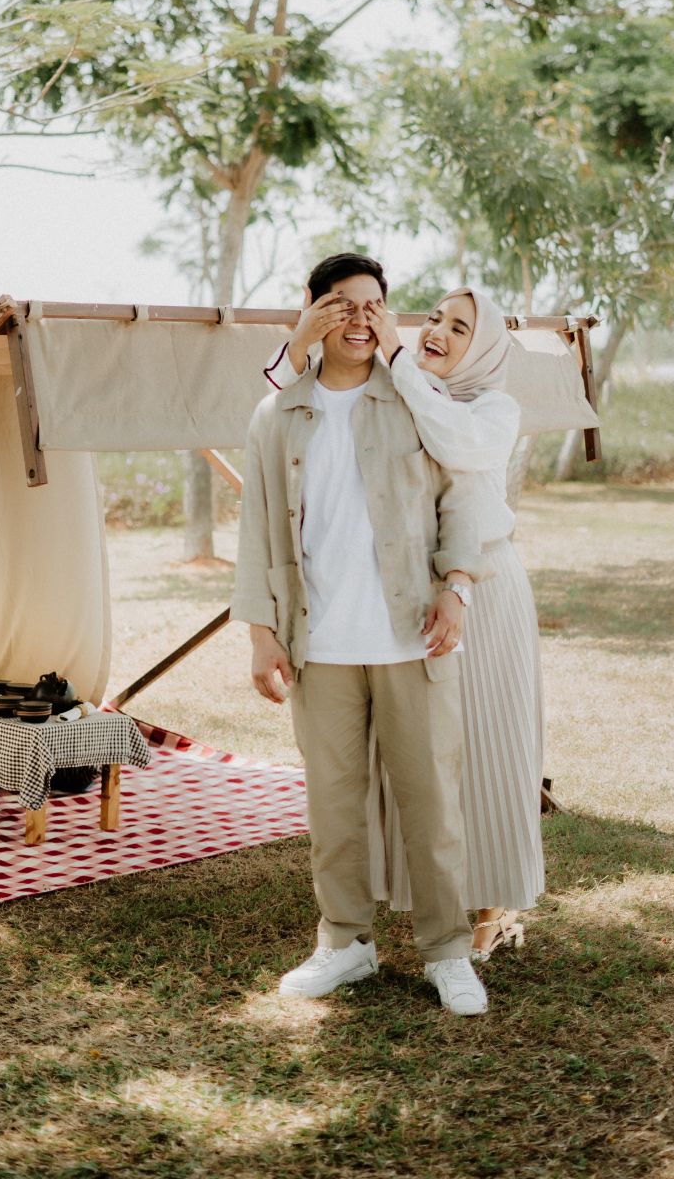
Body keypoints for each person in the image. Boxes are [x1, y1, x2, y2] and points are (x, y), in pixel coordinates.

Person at [231, 253, 490, 1015]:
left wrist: (457, 588)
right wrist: (260, 634)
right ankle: (344, 943)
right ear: (311, 311)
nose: (358, 320)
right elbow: (255, 528)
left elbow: (461, 498)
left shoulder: (415, 397)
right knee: (332, 809)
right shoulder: (276, 415)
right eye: (341, 304)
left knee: (431, 805)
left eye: (373, 305)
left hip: (412, 638)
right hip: (320, 646)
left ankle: (447, 952)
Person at [265, 283, 545, 958]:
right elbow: (286, 412)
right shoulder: (397, 390)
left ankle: (493, 904)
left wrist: (399, 361)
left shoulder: (492, 408)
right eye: (435, 319)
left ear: (484, 347)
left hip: (485, 588)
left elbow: (455, 445)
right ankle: (419, 904)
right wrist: (311, 343)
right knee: (423, 757)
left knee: (485, 745)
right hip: (415, 590)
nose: (438, 332)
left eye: (460, 327)